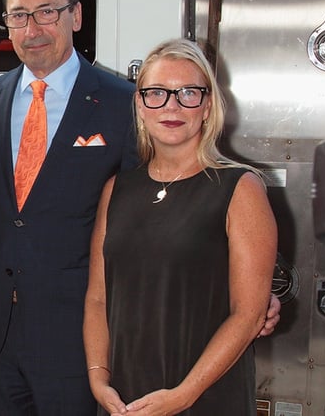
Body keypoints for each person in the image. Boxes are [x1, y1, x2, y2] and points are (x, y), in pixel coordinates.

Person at [0, 0, 280, 415]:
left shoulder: (124, 102)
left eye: (47, 11)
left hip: (80, 342)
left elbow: (179, 193)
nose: (32, 28)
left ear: (75, 15)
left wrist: (257, 288)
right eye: (19, 15)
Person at [83, 38, 277, 415]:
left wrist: (184, 394)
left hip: (205, 396)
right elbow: (97, 298)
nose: (171, 106)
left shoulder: (241, 187)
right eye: (157, 93)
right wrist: (98, 377)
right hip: (124, 399)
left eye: (188, 92)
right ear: (140, 104)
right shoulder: (117, 190)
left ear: (207, 106)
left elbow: (249, 314)